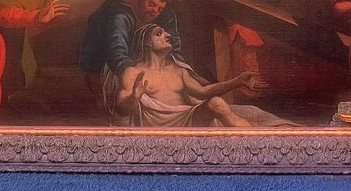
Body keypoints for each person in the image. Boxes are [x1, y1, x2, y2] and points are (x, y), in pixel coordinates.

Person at [116, 23, 288, 126]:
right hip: (160, 126)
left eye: (166, 32)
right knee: (217, 104)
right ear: (146, 42)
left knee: (217, 103)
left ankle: (256, 142)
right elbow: (121, 110)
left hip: (187, 119)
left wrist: (237, 81)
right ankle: (257, 142)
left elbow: (204, 92)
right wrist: (134, 97)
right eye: (159, 33)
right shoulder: (133, 72)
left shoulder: (179, 71)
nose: (168, 35)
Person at [79, 0, 187, 117]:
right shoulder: (118, 16)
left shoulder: (165, 13)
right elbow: (117, 50)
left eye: (160, 9)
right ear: (139, 0)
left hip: (132, 51)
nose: (155, 11)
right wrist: (129, 73)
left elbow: (174, 45)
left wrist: (178, 68)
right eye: (151, 4)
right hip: (102, 50)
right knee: (108, 101)